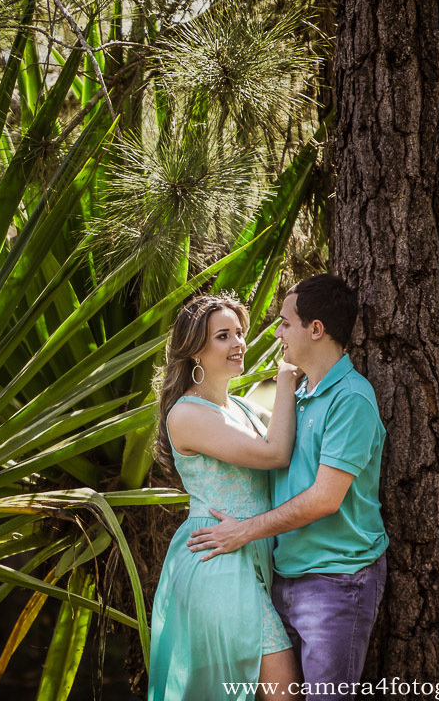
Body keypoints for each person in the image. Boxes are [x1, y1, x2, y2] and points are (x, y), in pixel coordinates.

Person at [186, 275, 388, 701]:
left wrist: (243, 530)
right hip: (286, 576)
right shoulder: (298, 399)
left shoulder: (351, 399)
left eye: (284, 323)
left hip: (336, 580)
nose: (276, 332)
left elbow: (324, 499)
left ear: (315, 329)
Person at [148, 295, 302, 701]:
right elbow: (276, 453)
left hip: (249, 549)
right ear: (196, 349)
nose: (238, 343)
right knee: (281, 688)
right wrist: (286, 379)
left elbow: (295, 433)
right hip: (217, 559)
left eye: (239, 333)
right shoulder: (187, 414)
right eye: (223, 336)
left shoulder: (241, 408)